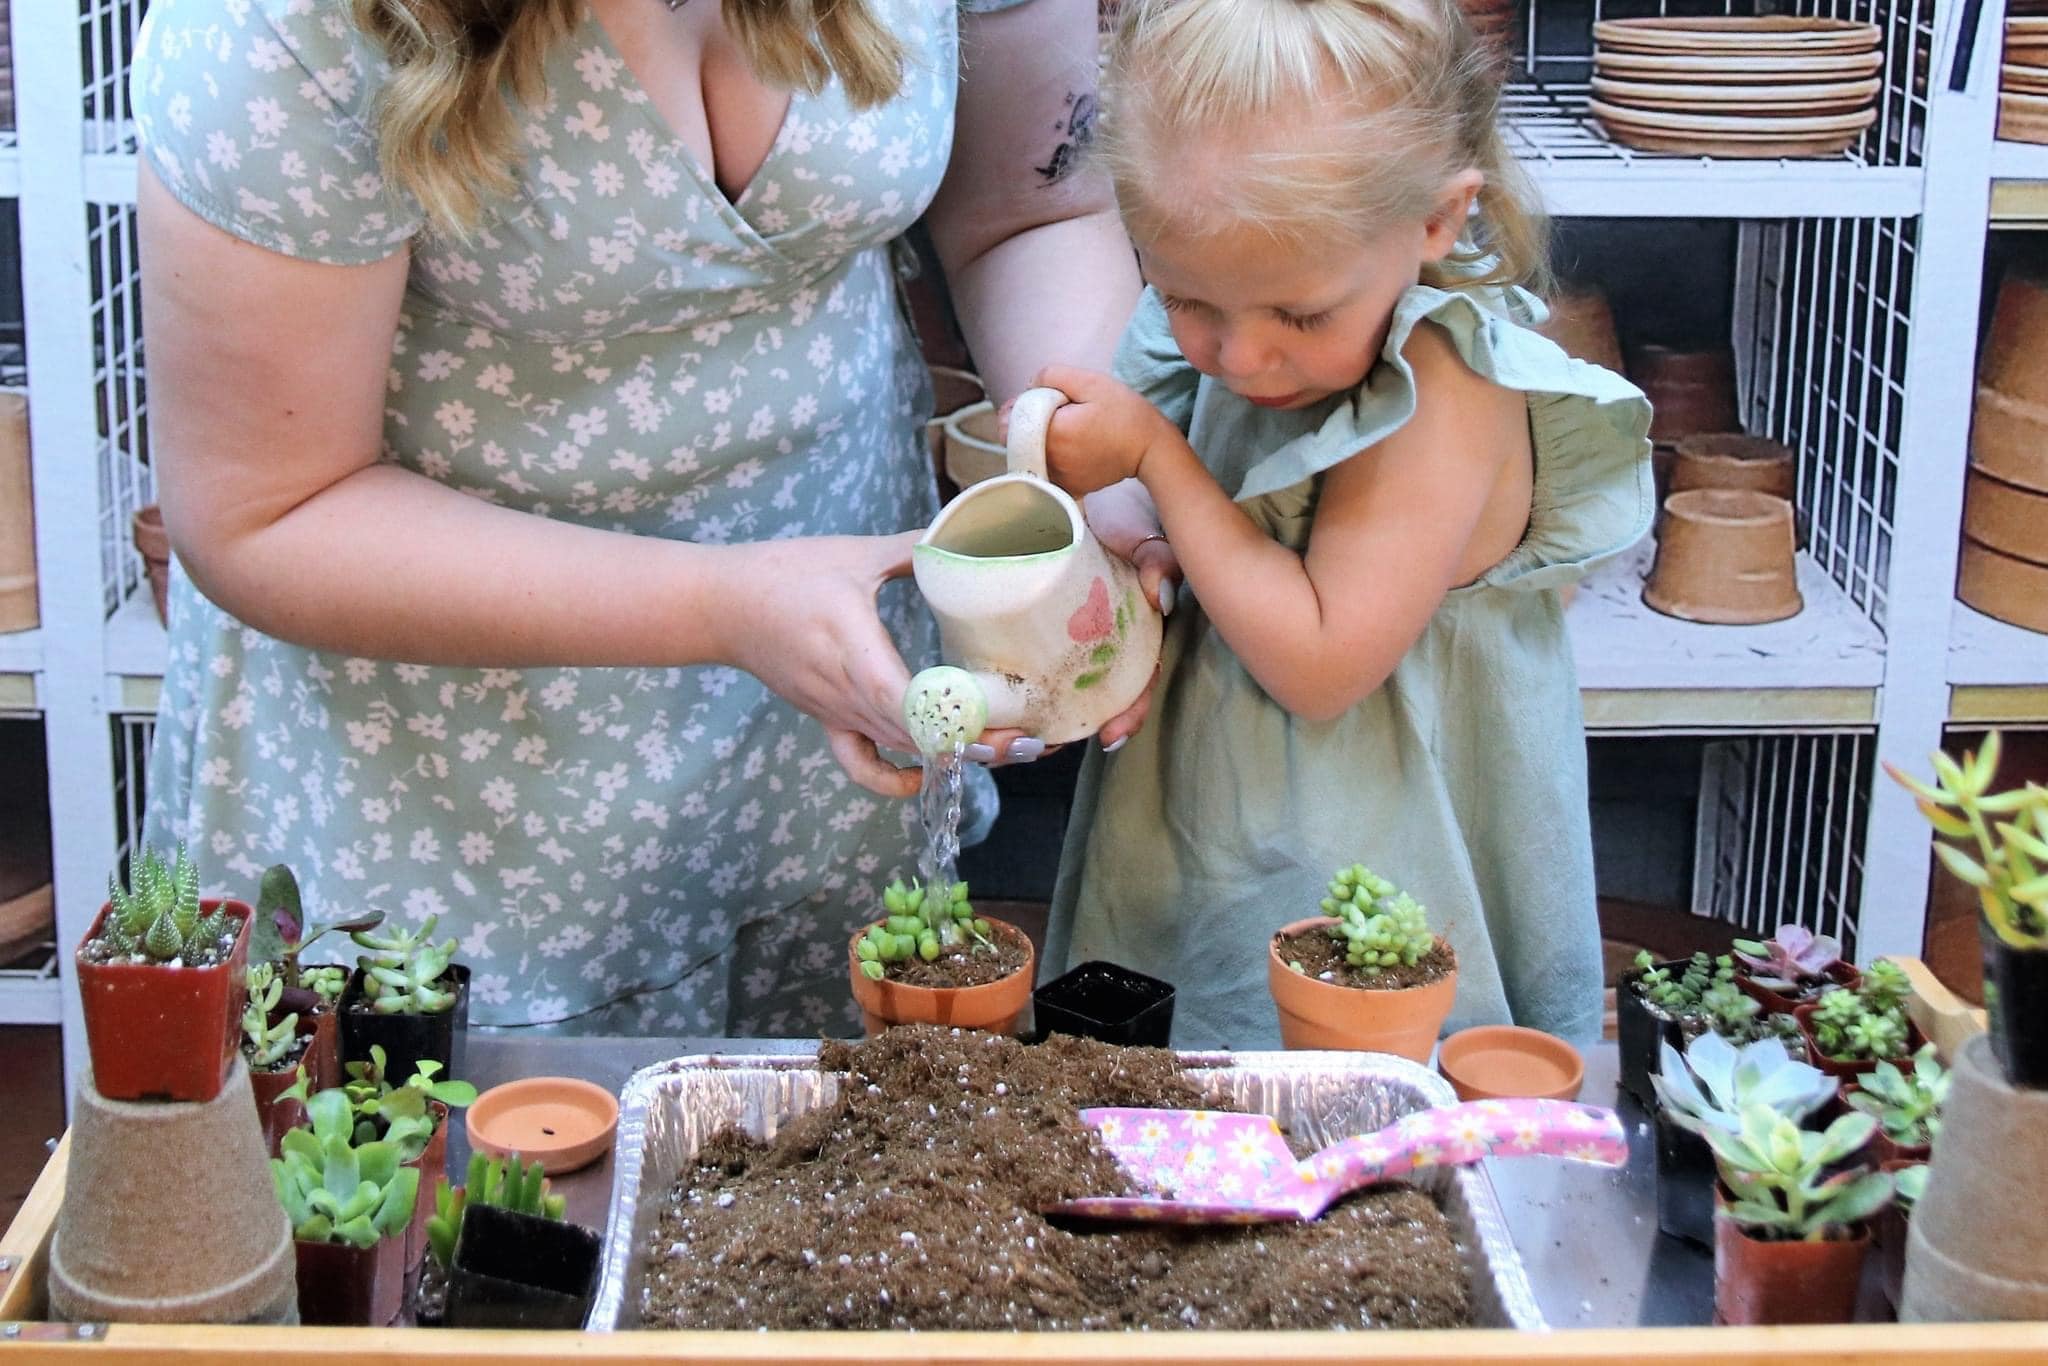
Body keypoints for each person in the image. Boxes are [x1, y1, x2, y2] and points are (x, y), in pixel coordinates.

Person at [127, 0, 1142, 1035]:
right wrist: (722, 605)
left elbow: (1030, 212)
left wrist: (1097, 478)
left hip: (809, 779)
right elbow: (271, 512)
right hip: (449, 808)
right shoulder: (270, 23)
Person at [1034, 0, 1654, 1048]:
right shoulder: (1256, 287)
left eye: (1299, 315)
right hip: (1214, 822)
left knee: (1359, 1121)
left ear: (1436, 221)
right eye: (1185, 297)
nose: (1236, 357)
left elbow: (1320, 663)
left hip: (1375, 855)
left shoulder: (1440, 384)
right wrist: (1121, 525)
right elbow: (1151, 489)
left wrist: (1152, 457)